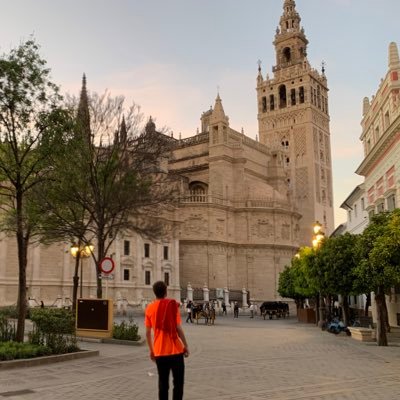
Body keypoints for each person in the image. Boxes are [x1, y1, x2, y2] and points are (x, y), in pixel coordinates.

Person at [145, 281, 189, 400]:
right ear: (166, 292)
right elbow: (178, 328)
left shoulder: (149, 308)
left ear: (154, 293)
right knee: (178, 384)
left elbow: (148, 333)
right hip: (176, 350)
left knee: (163, 384)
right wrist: (186, 346)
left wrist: (151, 350)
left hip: (159, 351)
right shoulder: (172, 305)